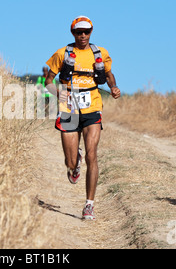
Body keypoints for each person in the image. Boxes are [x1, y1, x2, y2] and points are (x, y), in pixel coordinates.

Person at [44, 16, 121, 220]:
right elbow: (48, 82)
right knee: (70, 163)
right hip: (69, 107)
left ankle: (89, 205)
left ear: (91, 32)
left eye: (87, 31)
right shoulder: (62, 54)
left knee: (92, 155)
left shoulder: (100, 53)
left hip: (92, 107)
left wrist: (113, 87)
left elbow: (109, 73)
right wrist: (57, 93)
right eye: (79, 32)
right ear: (73, 34)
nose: (83, 35)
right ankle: (74, 162)